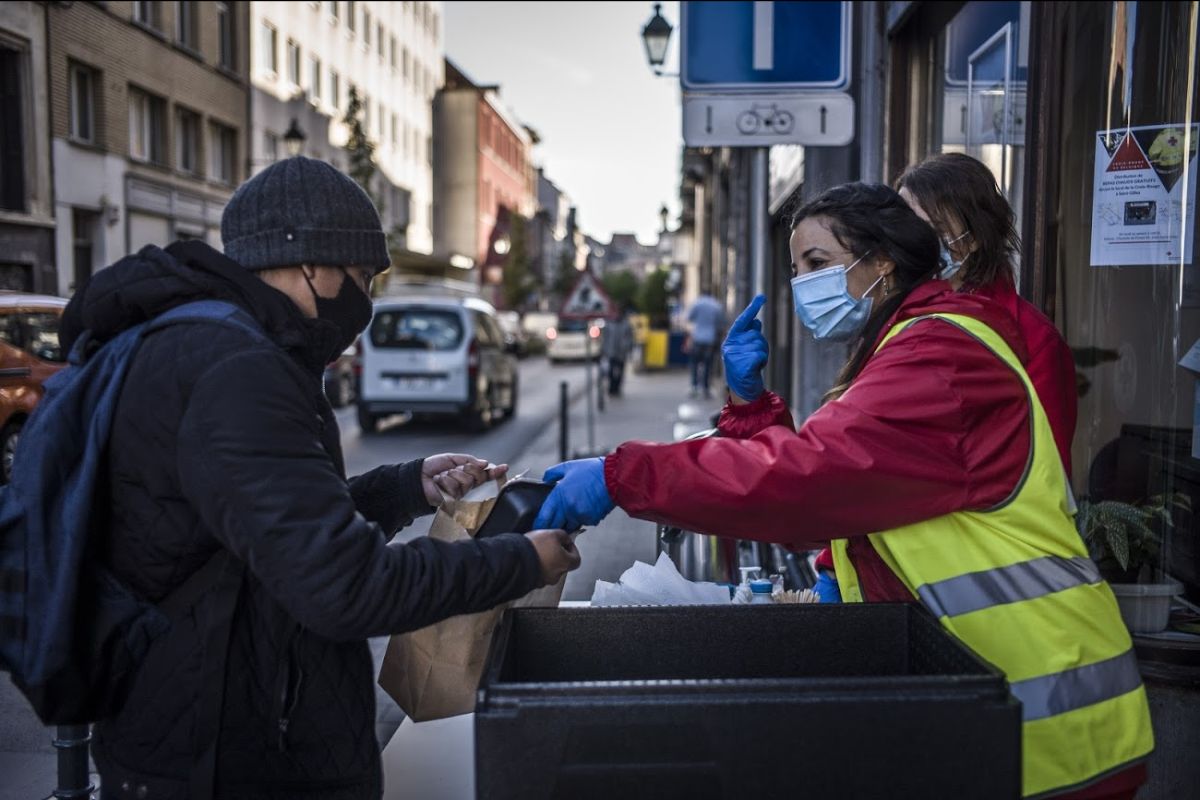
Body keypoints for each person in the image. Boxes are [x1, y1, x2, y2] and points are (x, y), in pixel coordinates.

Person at [533, 183, 1152, 800]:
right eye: (795, 268)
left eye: (818, 264)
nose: (801, 285)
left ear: (881, 263)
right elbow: (830, 496)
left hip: (1047, 719)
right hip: (989, 699)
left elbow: (811, 477)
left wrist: (624, 475)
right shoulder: (903, 346)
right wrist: (750, 408)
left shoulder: (939, 356)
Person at [67, 156, 581, 800]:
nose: (365, 301)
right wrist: (520, 561)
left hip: (223, 726)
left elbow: (274, 529)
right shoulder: (236, 372)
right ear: (311, 263)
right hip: (230, 756)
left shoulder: (219, 347)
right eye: (362, 277)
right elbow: (344, 585)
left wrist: (407, 486)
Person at [896, 152, 1077, 474]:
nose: (913, 241)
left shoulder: (1033, 339)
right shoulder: (893, 318)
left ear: (975, 236)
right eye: (905, 227)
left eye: (933, 228)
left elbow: (1045, 469)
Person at [685, 287, 725, 398]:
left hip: (698, 337)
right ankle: (706, 388)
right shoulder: (716, 305)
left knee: (694, 363)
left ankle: (694, 386)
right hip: (710, 339)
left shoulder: (697, 304)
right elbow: (721, 322)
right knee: (708, 364)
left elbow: (689, 318)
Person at [601, 305, 635, 396]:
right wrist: (604, 351)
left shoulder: (626, 324)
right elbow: (604, 338)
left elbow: (630, 338)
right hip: (611, 352)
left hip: (622, 353)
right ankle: (611, 389)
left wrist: (628, 348)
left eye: (618, 312)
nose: (616, 314)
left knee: (620, 372)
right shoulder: (608, 324)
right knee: (611, 371)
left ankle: (617, 389)